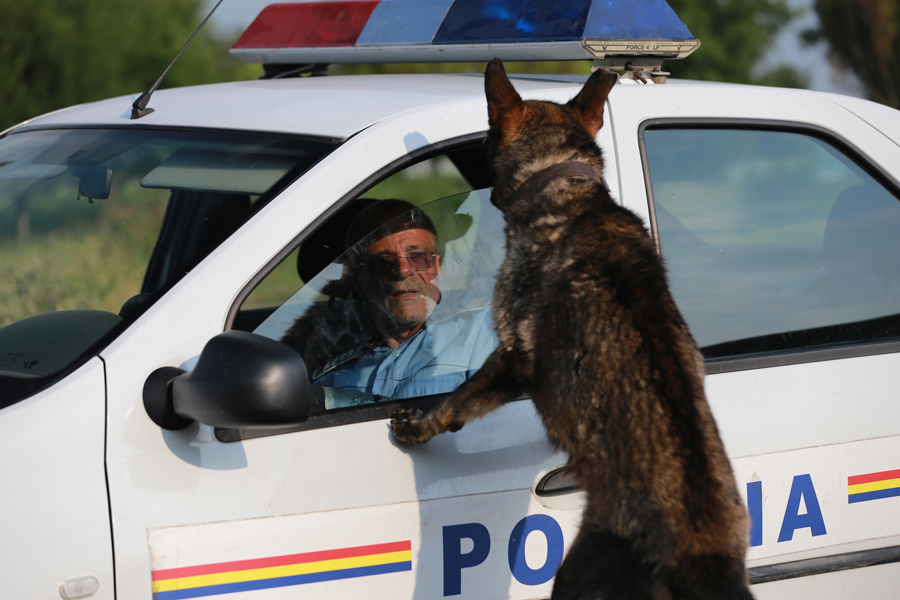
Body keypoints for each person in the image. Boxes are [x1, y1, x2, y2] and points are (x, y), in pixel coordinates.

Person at [281, 200, 496, 402]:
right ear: (359, 281)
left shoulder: (481, 334)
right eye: (382, 262)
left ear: (436, 267)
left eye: (418, 256)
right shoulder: (331, 360)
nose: (403, 271)